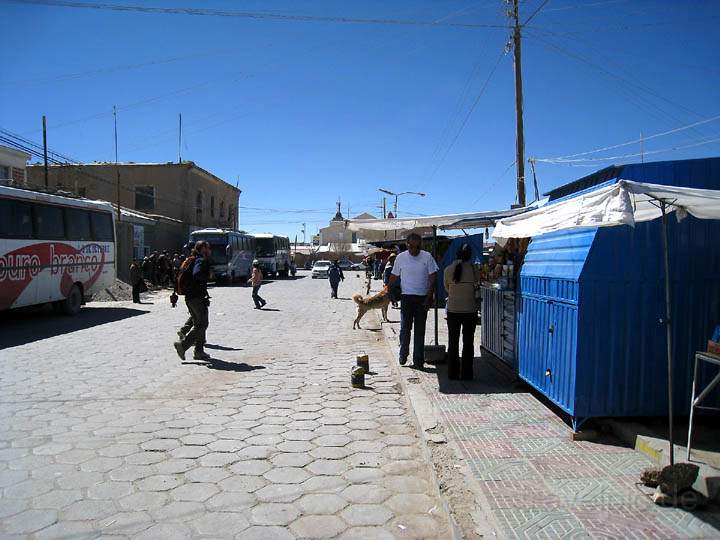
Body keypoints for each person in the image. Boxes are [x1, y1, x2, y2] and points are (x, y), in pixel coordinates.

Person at [388, 233, 438, 369]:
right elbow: (394, 275)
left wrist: (429, 297)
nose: (414, 250)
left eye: (417, 247)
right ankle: (403, 354)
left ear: (420, 245)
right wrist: (388, 289)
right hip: (406, 298)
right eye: (411, 246)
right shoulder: (400, 258)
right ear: (407, 245)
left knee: (420, 331)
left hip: (422, 298)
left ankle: (418, 360)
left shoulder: (427, 257)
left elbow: (433, 277)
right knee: (405, 329)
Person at [444, 243, 479, 380]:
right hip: (470, 310)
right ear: (470, 256)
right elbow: (477, 284)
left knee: (453, 342)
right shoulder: (474, 269)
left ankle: (452, 373)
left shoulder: (448, 270)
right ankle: (467, 374)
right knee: (468, 343)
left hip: (453, 310)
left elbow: (447, 288)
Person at [173, 241, 211, 361]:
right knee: (202, 324)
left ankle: (199, 351)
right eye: (207, 248)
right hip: (197, 297)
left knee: (199, 324)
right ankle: (183, 346)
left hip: (190, 297)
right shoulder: (200, 260)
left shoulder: (191, 259)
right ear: (203, 248)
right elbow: (197, 273)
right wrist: (208, 275)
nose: (209, 250)